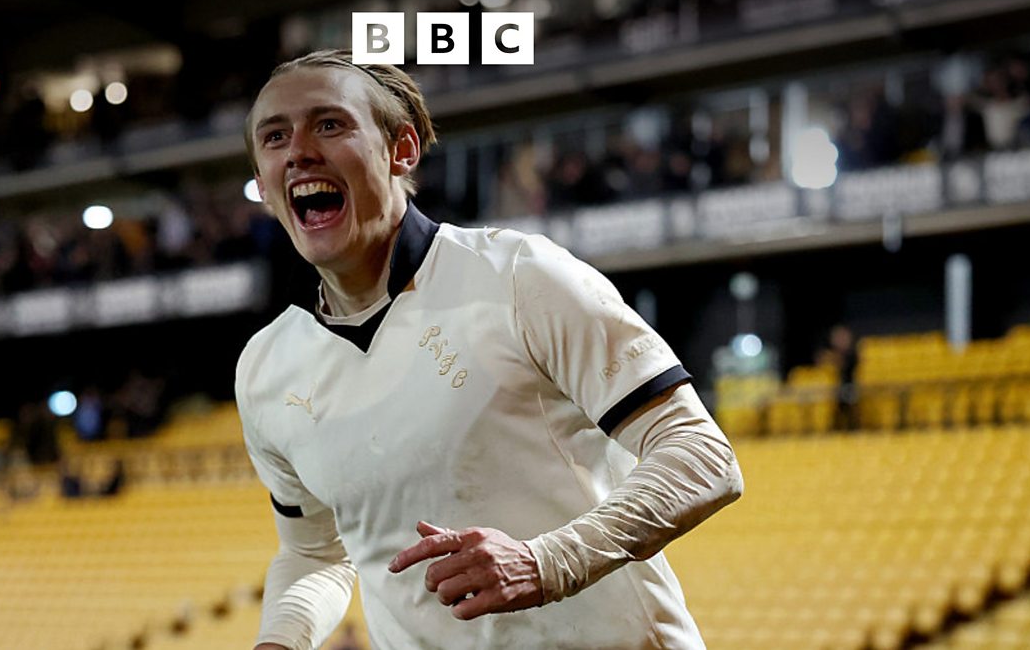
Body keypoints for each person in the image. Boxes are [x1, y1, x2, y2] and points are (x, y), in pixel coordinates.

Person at [235, 49, 744, 650]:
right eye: (275, 136)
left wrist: (546, 562)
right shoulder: (265, 369)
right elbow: (314, 555)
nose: (298, 151)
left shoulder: (519, 275)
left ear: (402, 149)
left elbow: (702, 456)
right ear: (263, 183)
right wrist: (280, 640)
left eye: (329, 124)